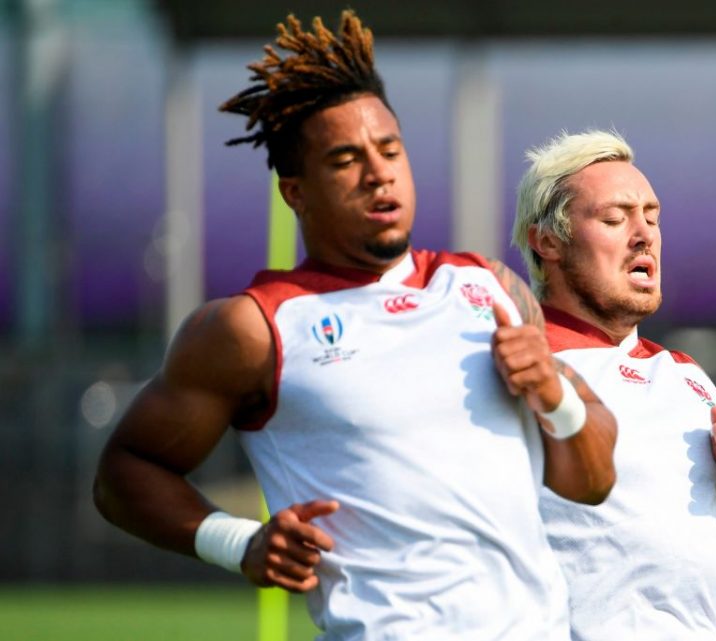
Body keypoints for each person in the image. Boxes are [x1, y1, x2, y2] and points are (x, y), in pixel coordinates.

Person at [93, 13, 617, 640]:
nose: (379, 173)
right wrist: (238, 543)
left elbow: (592, 480)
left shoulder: (489, 287)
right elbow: (123, 474)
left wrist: (555, 396)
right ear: (296, 193)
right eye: (346, 159)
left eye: (390, 149)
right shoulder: (254, 327)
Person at [512, 130, 716, 641]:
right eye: (615, 219)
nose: (644, 234)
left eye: (652, 217)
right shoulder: (513, 370)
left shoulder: (688, 378)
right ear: (547, 240)